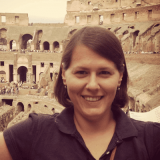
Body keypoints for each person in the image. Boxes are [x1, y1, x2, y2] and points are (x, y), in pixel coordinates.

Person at [0, 26, 160, 160]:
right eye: (81, 72)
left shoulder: (152, 139)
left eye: (104, 72)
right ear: (63, 74)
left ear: (120, 76)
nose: (92, 85)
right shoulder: (33, 132)